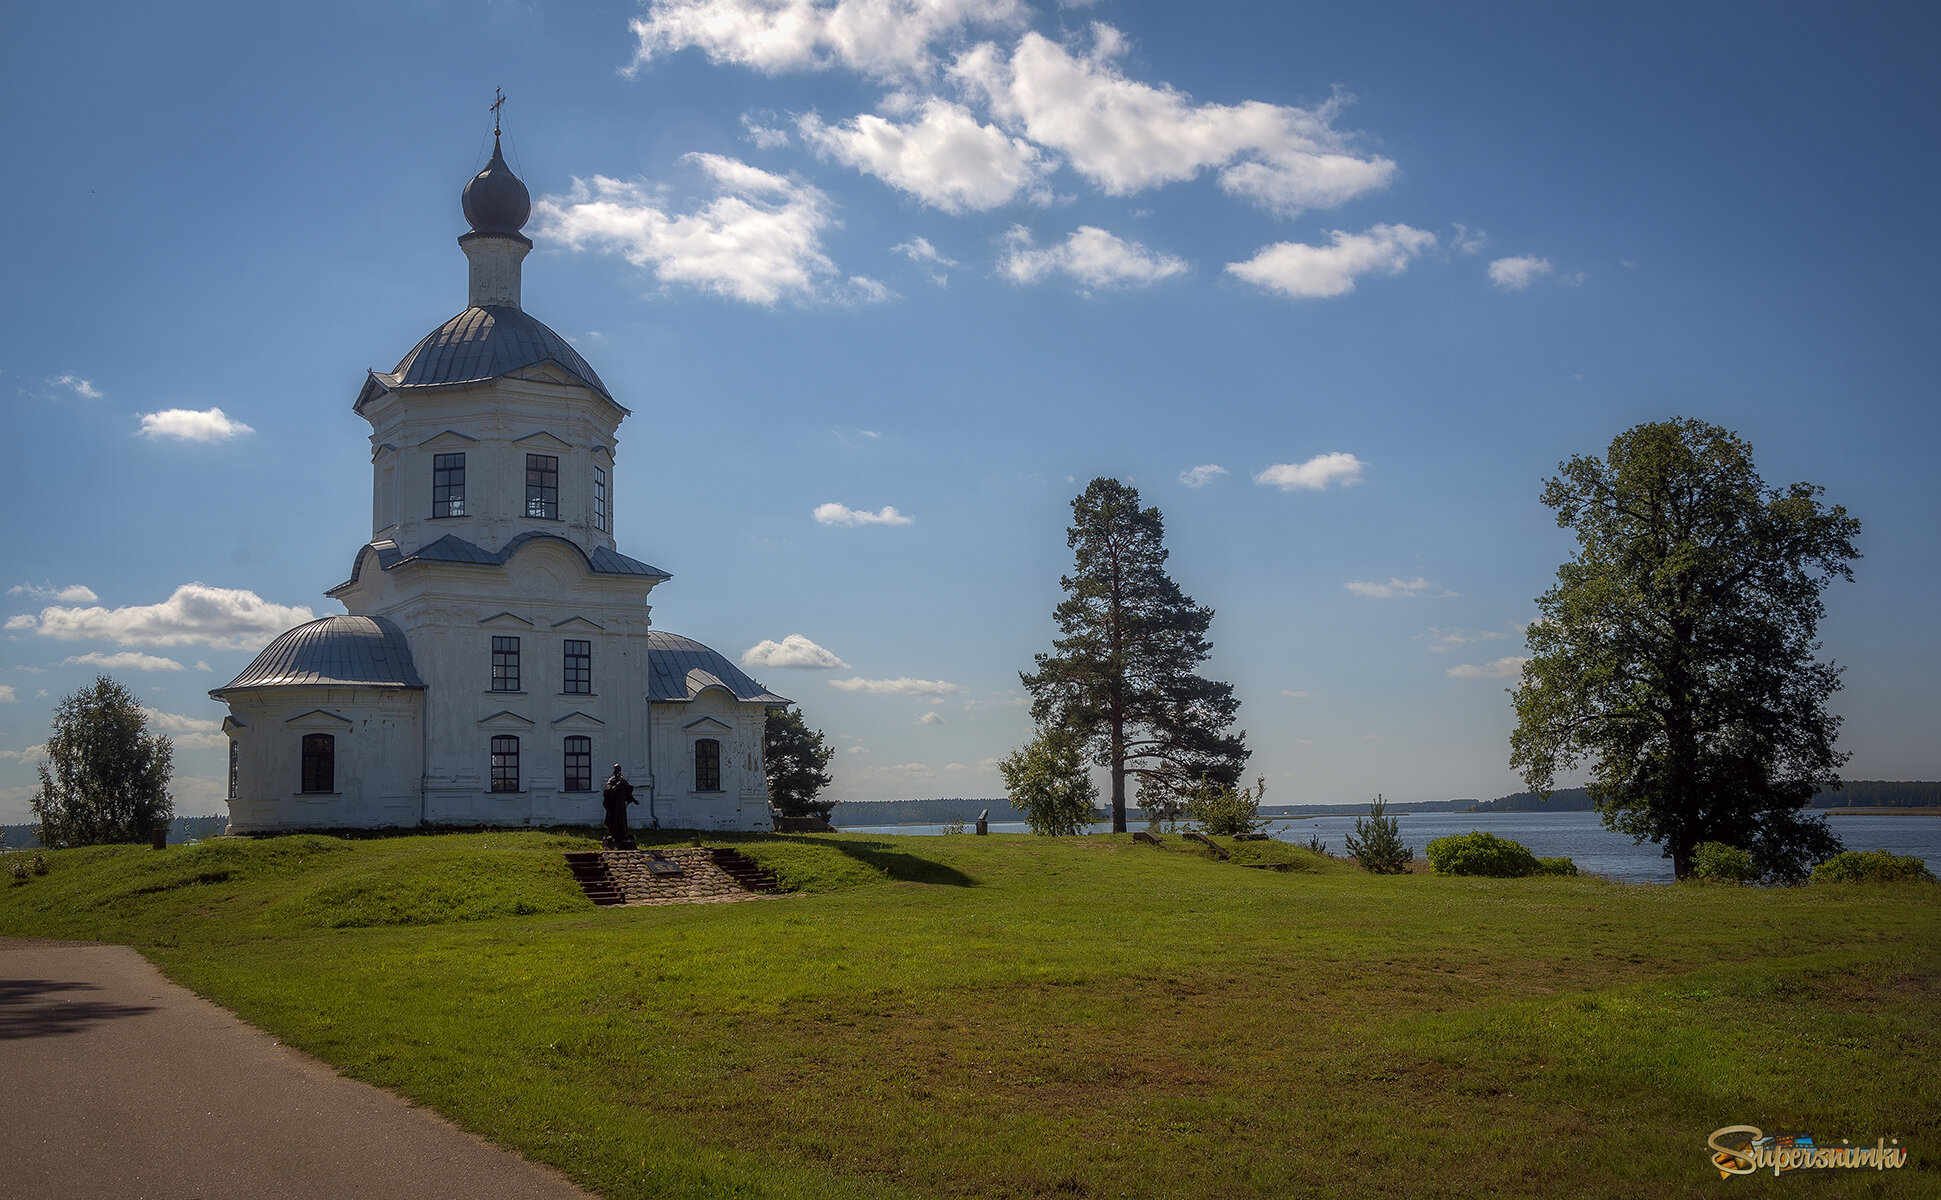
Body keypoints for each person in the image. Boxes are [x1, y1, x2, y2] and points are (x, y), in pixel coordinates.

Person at [601, 764, 637, 849]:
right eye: (616, 770)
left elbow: (628, 789)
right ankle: (614, 834)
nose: (618, 772)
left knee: (622, 819)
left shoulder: (622, 779)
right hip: (614, 804)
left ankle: (623, 834)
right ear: (614, 771)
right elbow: (607, 791)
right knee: (614, 819)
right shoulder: (612, 780)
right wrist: (617, 786)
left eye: (619, 770)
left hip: (621, 804)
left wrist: (632, 798)